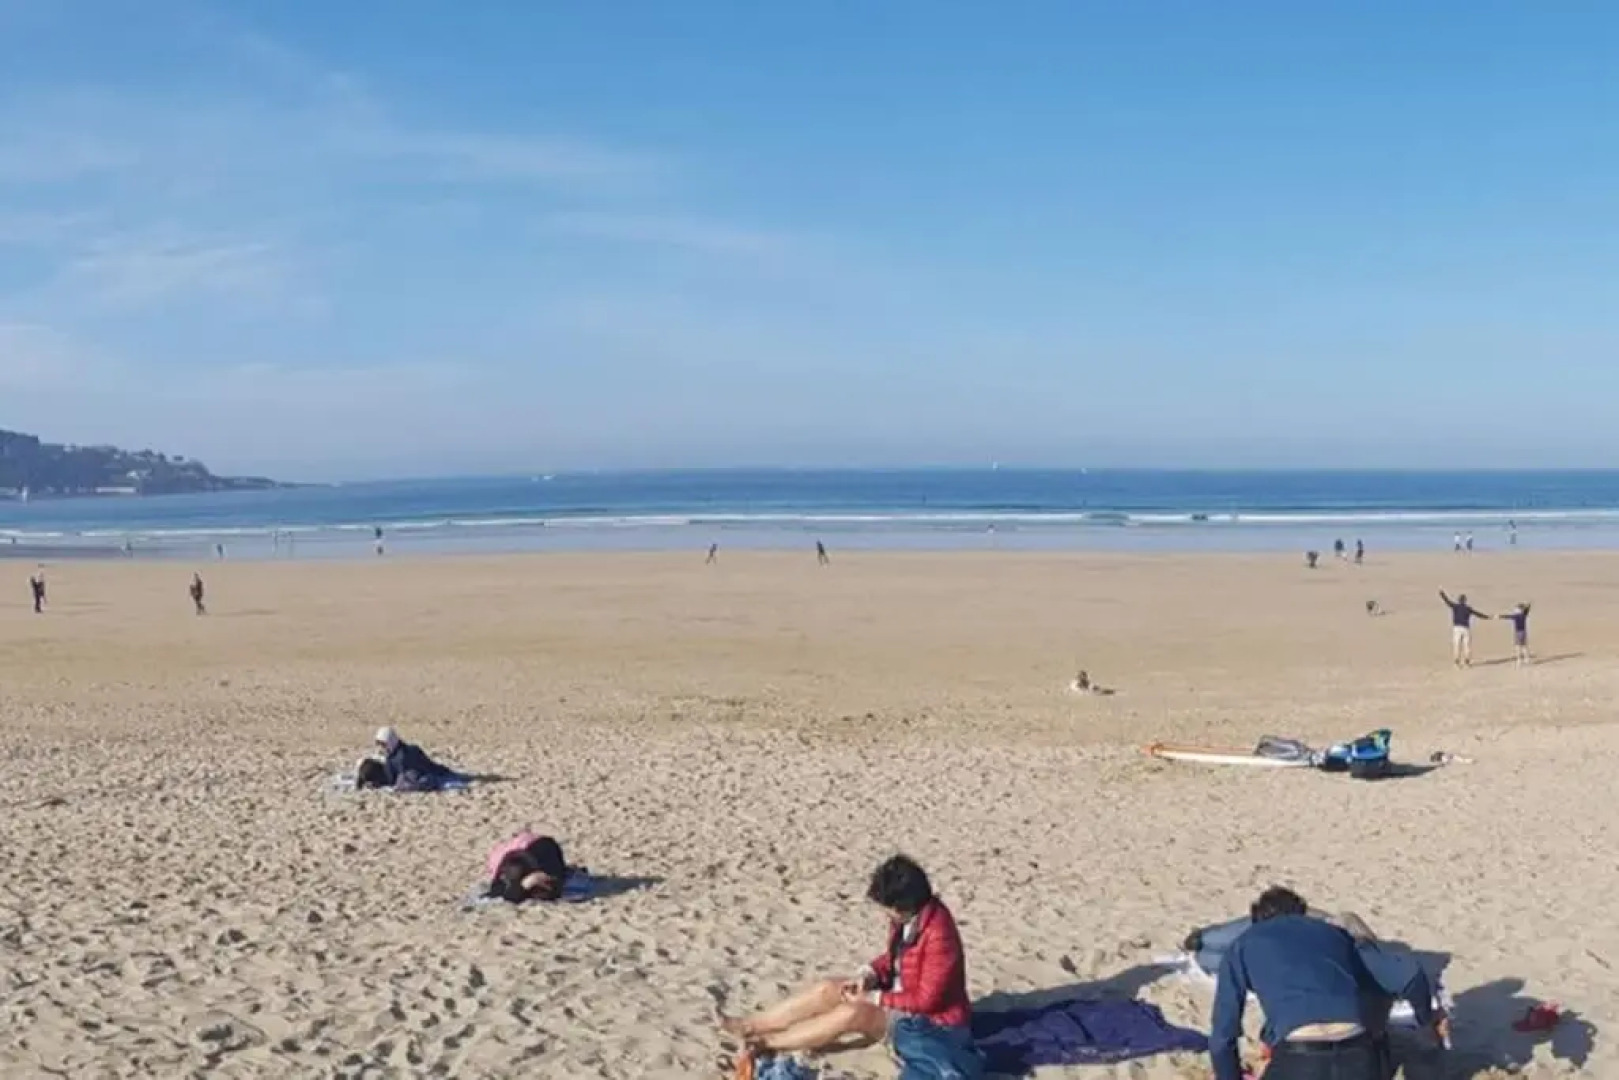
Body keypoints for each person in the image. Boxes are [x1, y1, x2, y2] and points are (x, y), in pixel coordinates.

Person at [721, 855, 981, 1078]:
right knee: (829, 989)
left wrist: (875, 998)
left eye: (887, 908)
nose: (884, 914)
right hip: (899, 996)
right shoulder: (909, 920)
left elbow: (927, 1000)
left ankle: (768, 1043)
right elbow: (897, 960)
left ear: (902, 906)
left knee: (852, 1012)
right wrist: (868, 974)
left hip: (931, 1023)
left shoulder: (939, 934)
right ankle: (752, 1024)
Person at [1210, 887, 1439, 1080]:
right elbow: (1409, 977)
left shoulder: (1243, 945)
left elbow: (1223, 1037)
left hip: (1299, 1055)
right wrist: (1426, 1022)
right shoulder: (1335, 933)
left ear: (1256, 921)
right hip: (1358, 1050)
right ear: (1303, 913)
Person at [371, 726, 465, 791]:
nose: (382, 748)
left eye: (383, 744)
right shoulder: (393, 755)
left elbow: (401, 778)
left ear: (390, 741)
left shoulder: (402, 756)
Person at [484, 833, 569, 903]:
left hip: (536, 851)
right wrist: (526, 884)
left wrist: (527, 883)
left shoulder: (547, 865)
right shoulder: (506, 870)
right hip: (531, 852)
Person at [1439, 590, 1489, 667]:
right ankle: (1467, 662)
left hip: (1457, 628)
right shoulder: (1468, 608)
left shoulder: (1455, 607)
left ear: (1459, 600)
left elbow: (1447, 601)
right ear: (1465, 601)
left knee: (1457, 645)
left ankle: (1456, 662)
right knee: (1467, 645)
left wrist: (1442, 594)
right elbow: (1477, 614)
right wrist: (1487, 617)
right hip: (1465, 628)